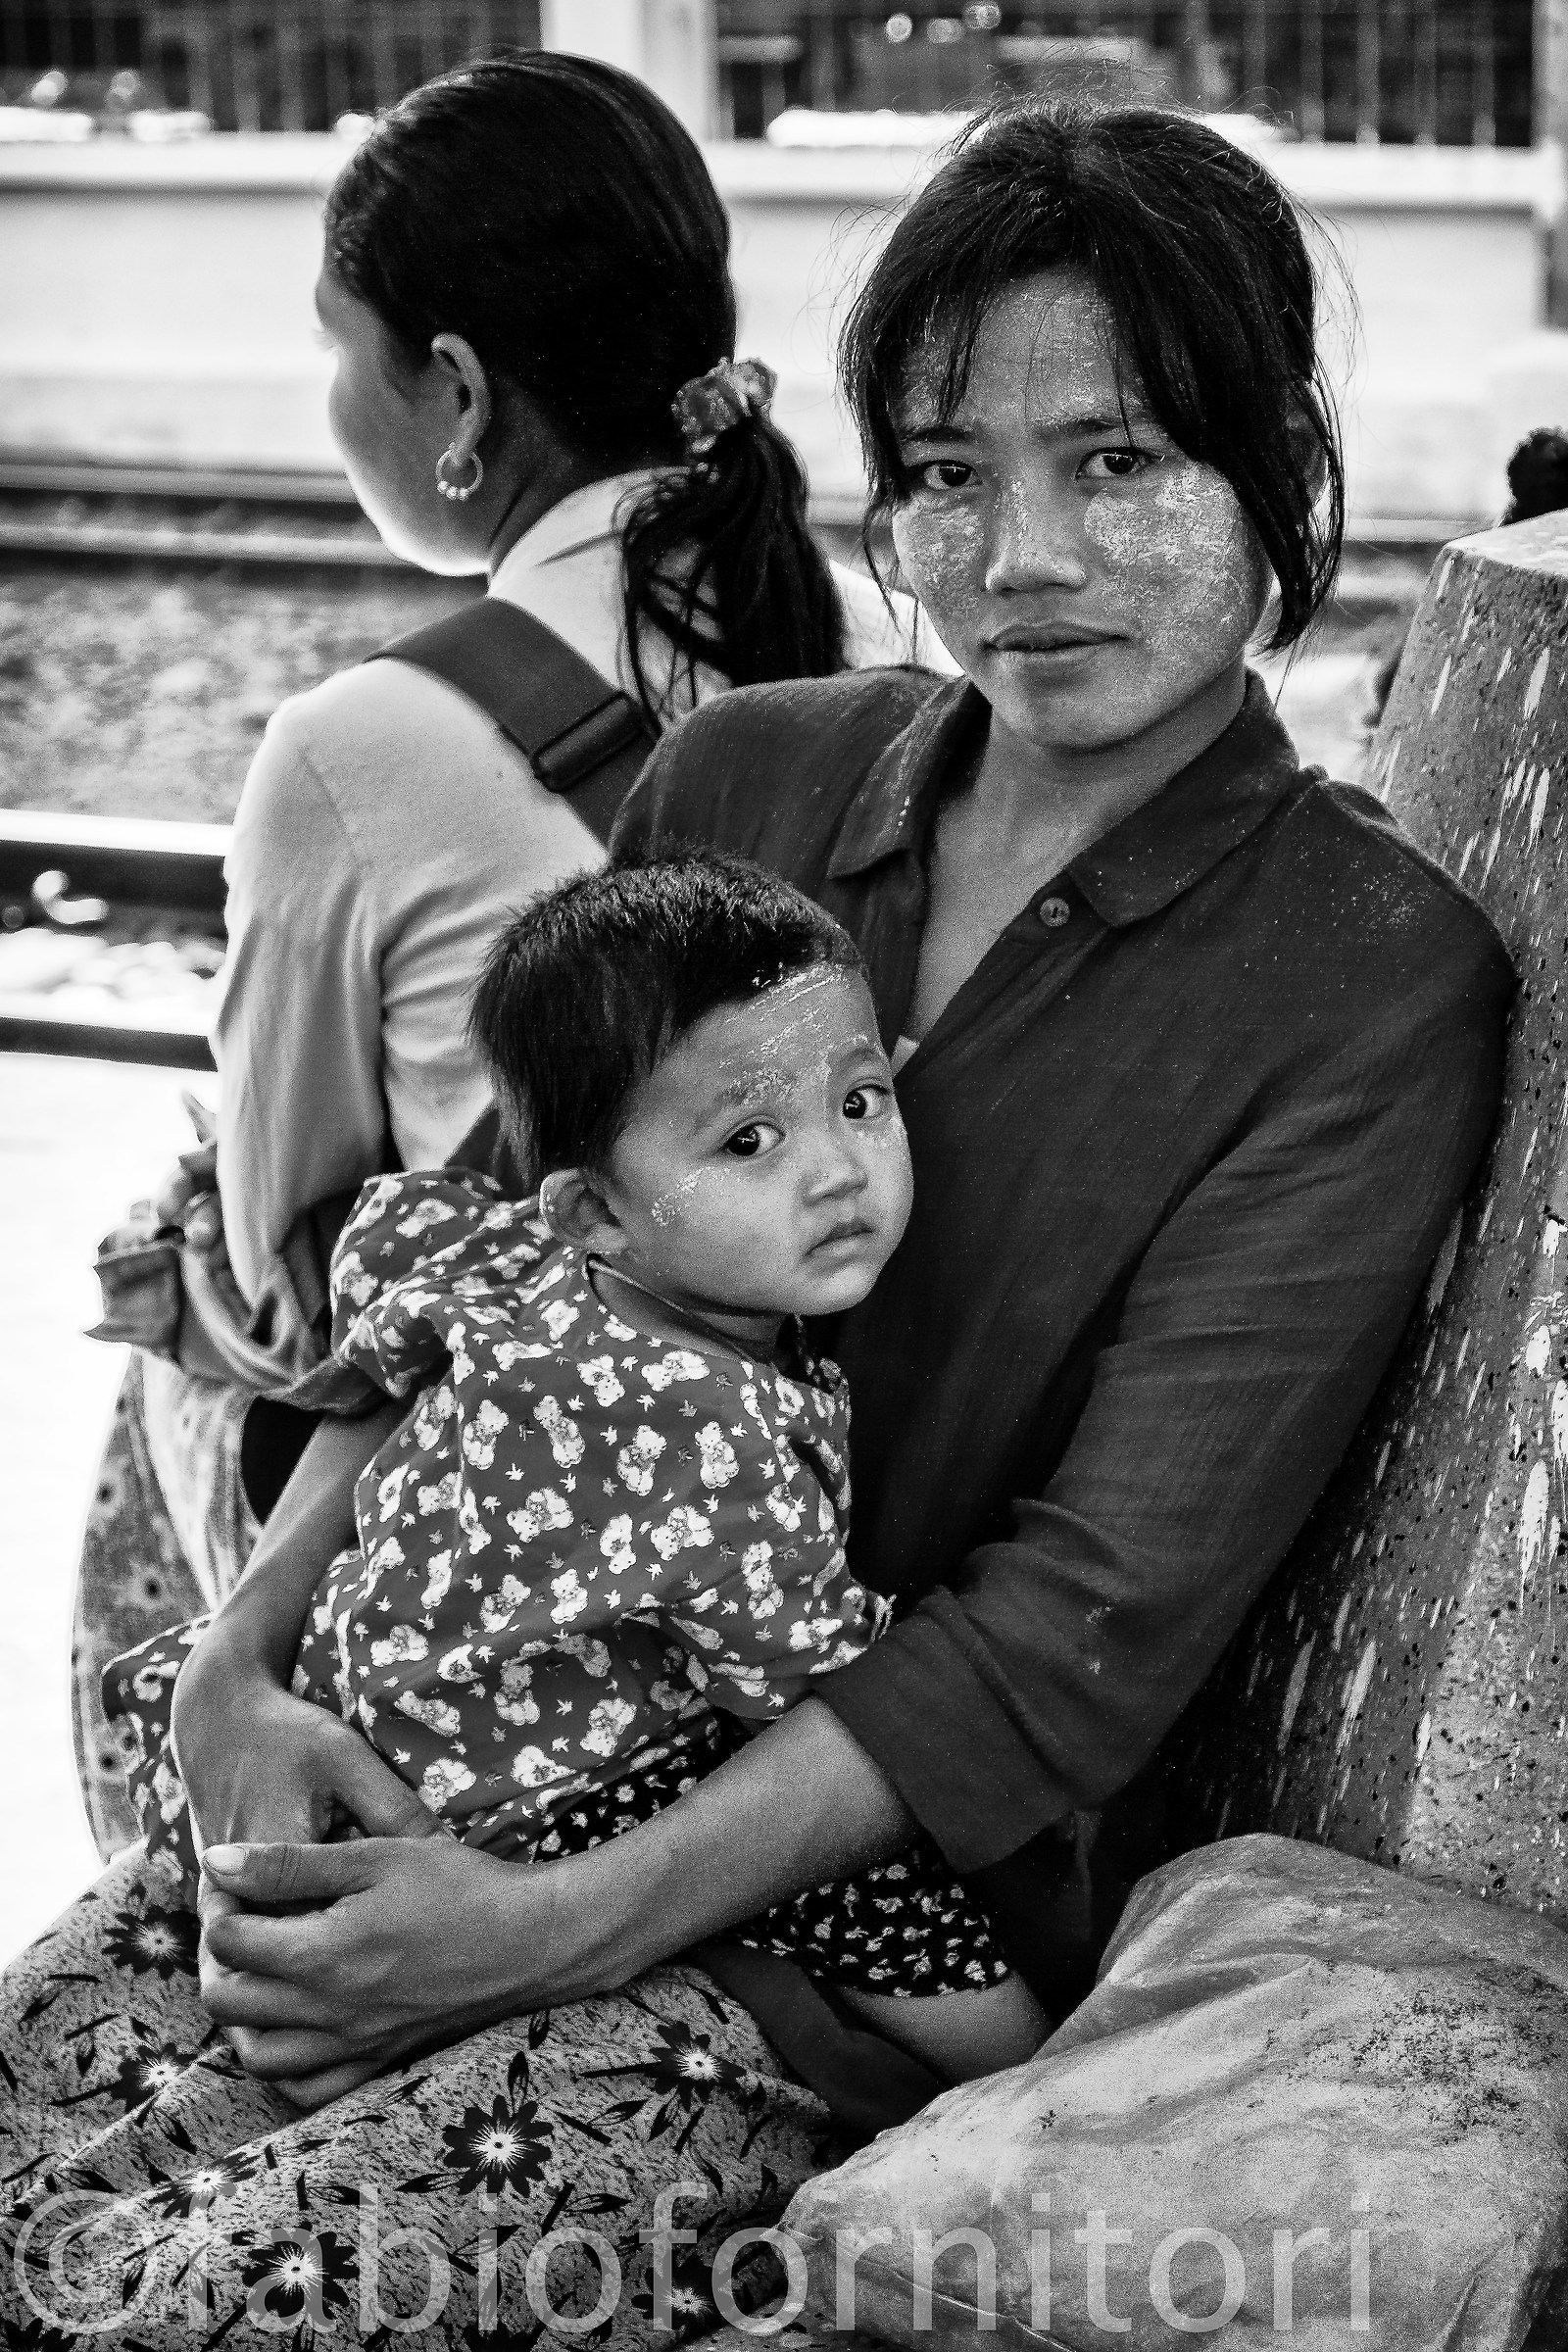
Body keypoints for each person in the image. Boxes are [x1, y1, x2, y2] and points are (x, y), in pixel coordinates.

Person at [6, 102, 1513, 2345]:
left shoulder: (1357, 975)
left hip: (822, 1962)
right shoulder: (753, 783)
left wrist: (533, 1930)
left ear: (1271, 458)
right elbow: (473, 1267)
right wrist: (235, 1668)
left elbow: (1072, 1617)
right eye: (941, 471)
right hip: (450, 1752)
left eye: (1115, 460)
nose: (1019, 553)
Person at [74, 48, 946, 1855]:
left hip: (537, 1535)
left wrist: (183, 1269)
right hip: (822, 1458)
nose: (333, 394)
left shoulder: (359, 745)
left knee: (163, 1349)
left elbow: (285, 1245)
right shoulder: (879, 650)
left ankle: (192, 1867)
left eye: (342, 343)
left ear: (454, 391)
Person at [109, 855, 1043, 2087]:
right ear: (592, 1213)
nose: (836, 1172)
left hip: (354, 1733)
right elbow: (826, 1697)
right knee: (865, 1872)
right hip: (491, 1818)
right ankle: (1027, 2088)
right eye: (750, 1139)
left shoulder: (525, 1272)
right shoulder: (709, 1432)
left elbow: (393, 1315)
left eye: (863, 1101)